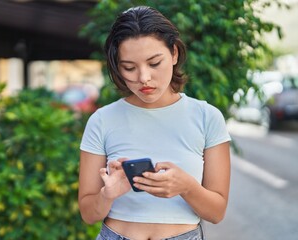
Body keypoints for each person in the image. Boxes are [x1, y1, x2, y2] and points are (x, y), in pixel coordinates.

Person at [78, 6, 231, 240]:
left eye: (154, 63)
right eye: (129, 67)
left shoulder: (206, 116)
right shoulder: (102, 120)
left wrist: (186, 187)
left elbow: (217, 212)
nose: (143, 78)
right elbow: (88, 214)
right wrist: (107, 195)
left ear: (174, 54)